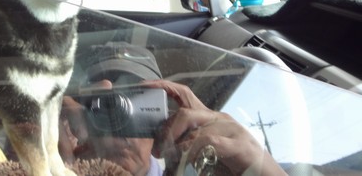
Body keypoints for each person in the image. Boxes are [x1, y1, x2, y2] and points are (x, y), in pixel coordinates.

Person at [59, 42, 287, 176]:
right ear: (79, 112)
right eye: (106, 103)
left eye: (135, 99)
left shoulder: (196, 169)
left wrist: (259, 166)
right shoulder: (54, 162)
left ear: (162, 118)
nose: (120, 112)